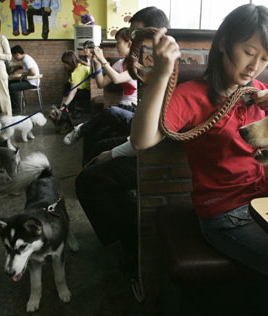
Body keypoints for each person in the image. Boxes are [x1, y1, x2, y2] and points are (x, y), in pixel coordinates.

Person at [130, 4, 268, 314]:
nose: (254, 66)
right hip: (226, 216)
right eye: (249, 52)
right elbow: (141, 141)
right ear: (224, 43)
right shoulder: (193, 94)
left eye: (264, 59)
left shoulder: (263, 94)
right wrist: (163, 73)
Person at [75, 6, 170, 275]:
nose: (133, 41)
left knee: (91, 177)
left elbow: (149, 137)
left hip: (157, 151)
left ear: (157, 34)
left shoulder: (161, 66)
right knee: (98, 146)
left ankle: (133, 244)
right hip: (142, 137)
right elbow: (105, 83)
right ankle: (121, 234)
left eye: (137, 35)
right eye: (131, 37)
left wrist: (114, 154)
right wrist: (96, 59)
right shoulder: (141, 63)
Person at [63, 27, 137, 146]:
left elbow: (117, 79)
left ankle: (81, 128)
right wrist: (97, 65)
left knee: (111, 113)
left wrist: (102, 59)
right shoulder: (119, 63)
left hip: (133, 109)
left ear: (129, 43)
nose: (116, 46)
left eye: (118, 42)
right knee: (93, 136)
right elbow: (101, 83)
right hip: (122, 107)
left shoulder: (137, 64)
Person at [8, 45, 40, 114]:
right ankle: (11, 105)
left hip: (32, 83)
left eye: (14, 56)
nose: (14, 58)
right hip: (28, 80)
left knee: (12, 87)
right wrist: (14, 70)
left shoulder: (26, 59)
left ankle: (16, 108)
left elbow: (33, 72)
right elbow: (21, 66)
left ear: (17, 54)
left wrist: (24, 74)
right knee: (9, 83)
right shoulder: (24, 59)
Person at [61, 50, 92, 119]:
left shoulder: (77, 71)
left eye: (65, 63)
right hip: (86, 89)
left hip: (87, 92)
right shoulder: (80, 65)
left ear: (69, 62)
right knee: (67, 85)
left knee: (70, 92)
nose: (64, 65)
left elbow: (73, 91)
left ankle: (67, 110)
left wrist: (65, 105)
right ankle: (64, 108)